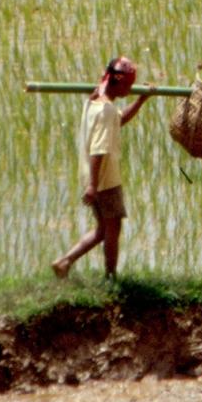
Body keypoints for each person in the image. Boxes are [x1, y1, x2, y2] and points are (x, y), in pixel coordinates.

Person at [52, 56, 152, 279]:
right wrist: (93, 186)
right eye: (129, 85)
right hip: (104, 181)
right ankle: (111, 277)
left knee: (102, 230)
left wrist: (140, 101)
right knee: (112, 230)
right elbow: (99, 149)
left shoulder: (94, 103)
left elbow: (119, 120)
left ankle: (64, 261)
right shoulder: (105, 111)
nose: (130, 89)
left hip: (94, 177)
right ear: (118, 82)